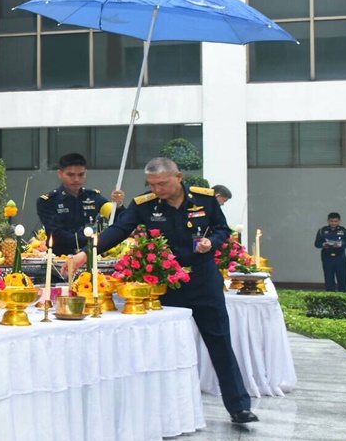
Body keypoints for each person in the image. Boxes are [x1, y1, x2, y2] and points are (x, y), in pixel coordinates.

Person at [66, 157, 257, 424]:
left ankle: (239, 407)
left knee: (220, 342)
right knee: (167, 346)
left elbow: (222, 229)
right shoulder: (145, 204)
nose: (157, 190)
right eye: (152, 185)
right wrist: (85, 254)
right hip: (168, 284)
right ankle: (165, 411)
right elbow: (119, 230)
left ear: (178, 177)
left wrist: (211, 242)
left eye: (163, 184)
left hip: (203, 281)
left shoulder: (205, 199)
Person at [36, 153, 125, 256]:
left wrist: (118, 204)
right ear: (60, 173)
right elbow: (57, 234)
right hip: (60, 259)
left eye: (81, 174)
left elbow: (119, 218)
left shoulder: (94, 197)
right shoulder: (47, 201)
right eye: (70, 175)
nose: (76, 179)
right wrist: (96, 240)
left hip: (90, 257)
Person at [315, 212, 346, 293]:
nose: (333, 223)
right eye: (331, 221)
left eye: (335, 221)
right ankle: (330, 295)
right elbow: (317, 244)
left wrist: (341, 244)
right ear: (328, 220)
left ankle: (343, 294)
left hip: (340, 256)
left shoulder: (344, 230)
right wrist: (323, 244)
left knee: (342, 277)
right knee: (328, 277)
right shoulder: (322, 230)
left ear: (339, 221)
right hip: (327, 256)